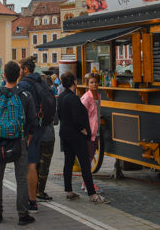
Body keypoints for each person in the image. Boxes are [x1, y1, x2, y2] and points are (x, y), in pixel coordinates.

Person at [0, 61, 37, 225]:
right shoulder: (25, 95)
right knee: (21, 178)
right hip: (18, 139)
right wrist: (27, 137)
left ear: (4, 75)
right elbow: (33, 121)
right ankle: (23, 214)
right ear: (19, 75)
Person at [57, 72, 108, 203]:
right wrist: (84, 130)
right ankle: (92, 194)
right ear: (74, 82)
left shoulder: (61, 96)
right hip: (76, 135)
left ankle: (68, 191)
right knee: (85, 163)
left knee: (68, 162)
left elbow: (60, 115)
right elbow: (77, 117)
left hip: (64, 133)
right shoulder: (73, 98)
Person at [17, 57, 53, 212]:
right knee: (35, 163)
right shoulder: (42, 82)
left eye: (20, 68)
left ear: (25, 69)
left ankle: (30, 201)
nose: (19, 71)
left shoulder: (24, 84)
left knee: (29, 165)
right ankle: (34, 195)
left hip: (28, 130)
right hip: (42, 127)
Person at [80, 73, 102, 195]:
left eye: (95, 82)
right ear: (87, 84)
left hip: (96, 131)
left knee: (90, 156)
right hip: (89, 132)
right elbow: (81, 114)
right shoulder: (86, 98)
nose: (94, 84)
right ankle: (87, 183)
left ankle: (86, 182)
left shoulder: (98, 96)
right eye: (91, 82)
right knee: (87, 158)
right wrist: (84, 129)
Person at [36, 74, 56, 201]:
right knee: (45, 165)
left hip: (35, 134)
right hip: (48, 134)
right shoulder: (50, 95)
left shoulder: (34, 94)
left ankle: (32, 190)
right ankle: (40, 191)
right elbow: (56, 119)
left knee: (34, 164)